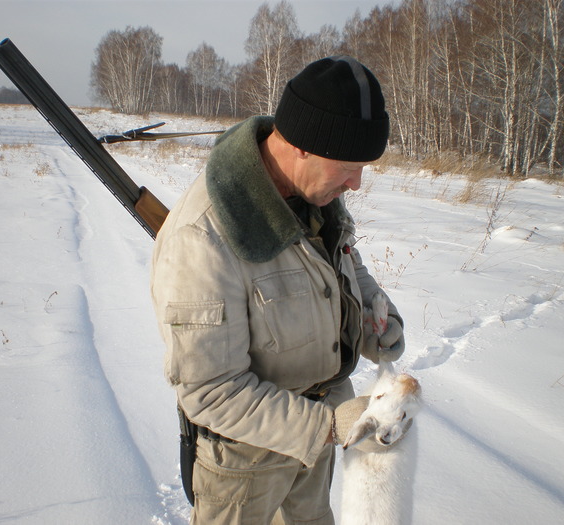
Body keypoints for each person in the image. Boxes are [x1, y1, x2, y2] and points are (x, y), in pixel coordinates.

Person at [150, 56, 405, 525]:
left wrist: (372, 315)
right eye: (349, 167)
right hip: (246, 465)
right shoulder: (202, 236)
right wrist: (328, 426)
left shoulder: (315, 193)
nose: (357, 184)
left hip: (316, 440)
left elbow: (344, 261)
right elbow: (210, 391)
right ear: (301, 146)